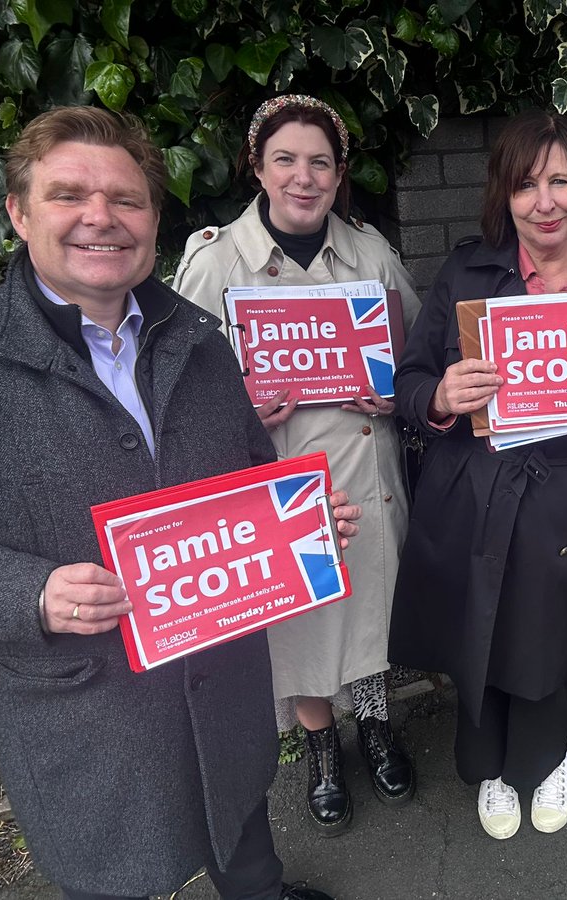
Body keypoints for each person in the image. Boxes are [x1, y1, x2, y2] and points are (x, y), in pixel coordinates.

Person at [0, 106, 360, 900]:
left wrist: (302, 524)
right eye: (68, 195)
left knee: (246, 843)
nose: (100, 218)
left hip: (220, 680)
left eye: (126, 199)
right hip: (90, 710)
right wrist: (29, 593)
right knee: (114, 873)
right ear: (17, 211)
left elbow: (254, 473)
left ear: (154, 218)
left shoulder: (199, 336)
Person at [390, 110, 567, 840]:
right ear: (504, 195)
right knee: (480, 630)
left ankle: (547, 756)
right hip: (478, 490)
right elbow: (410, 380)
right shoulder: (467, 270)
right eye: (526, 185)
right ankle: (490, 764)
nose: (544, 201)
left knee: (548, 635)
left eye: (559, 180)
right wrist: (441, 397)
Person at [172, 94, 420, 835]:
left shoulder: (370, 252)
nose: (303, 177)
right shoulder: (216, 261)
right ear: (258, 165)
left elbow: (415, 354)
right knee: (303, 625)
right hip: (279, 489)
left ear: (340, 174)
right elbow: (179, 400)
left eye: (320, 162)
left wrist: (398, 387)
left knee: (372, 612)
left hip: (369, 480)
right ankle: (321, 748)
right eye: (286, 159)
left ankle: (376, 726)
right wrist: (239, 404)